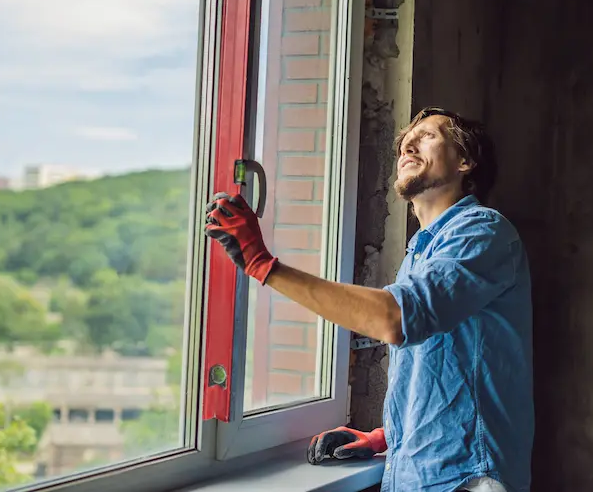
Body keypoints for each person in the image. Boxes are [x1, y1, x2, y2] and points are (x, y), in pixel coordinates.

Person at [204, 107, 534, 492]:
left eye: (427, 135)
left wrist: (262, 264)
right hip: (419, 472)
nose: (407, 144)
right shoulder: (421, 252)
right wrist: (386, 437)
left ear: (466, 161)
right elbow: (444, 374)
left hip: (465, 479)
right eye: (405, 141)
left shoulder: (483, 231)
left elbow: (395, 320)